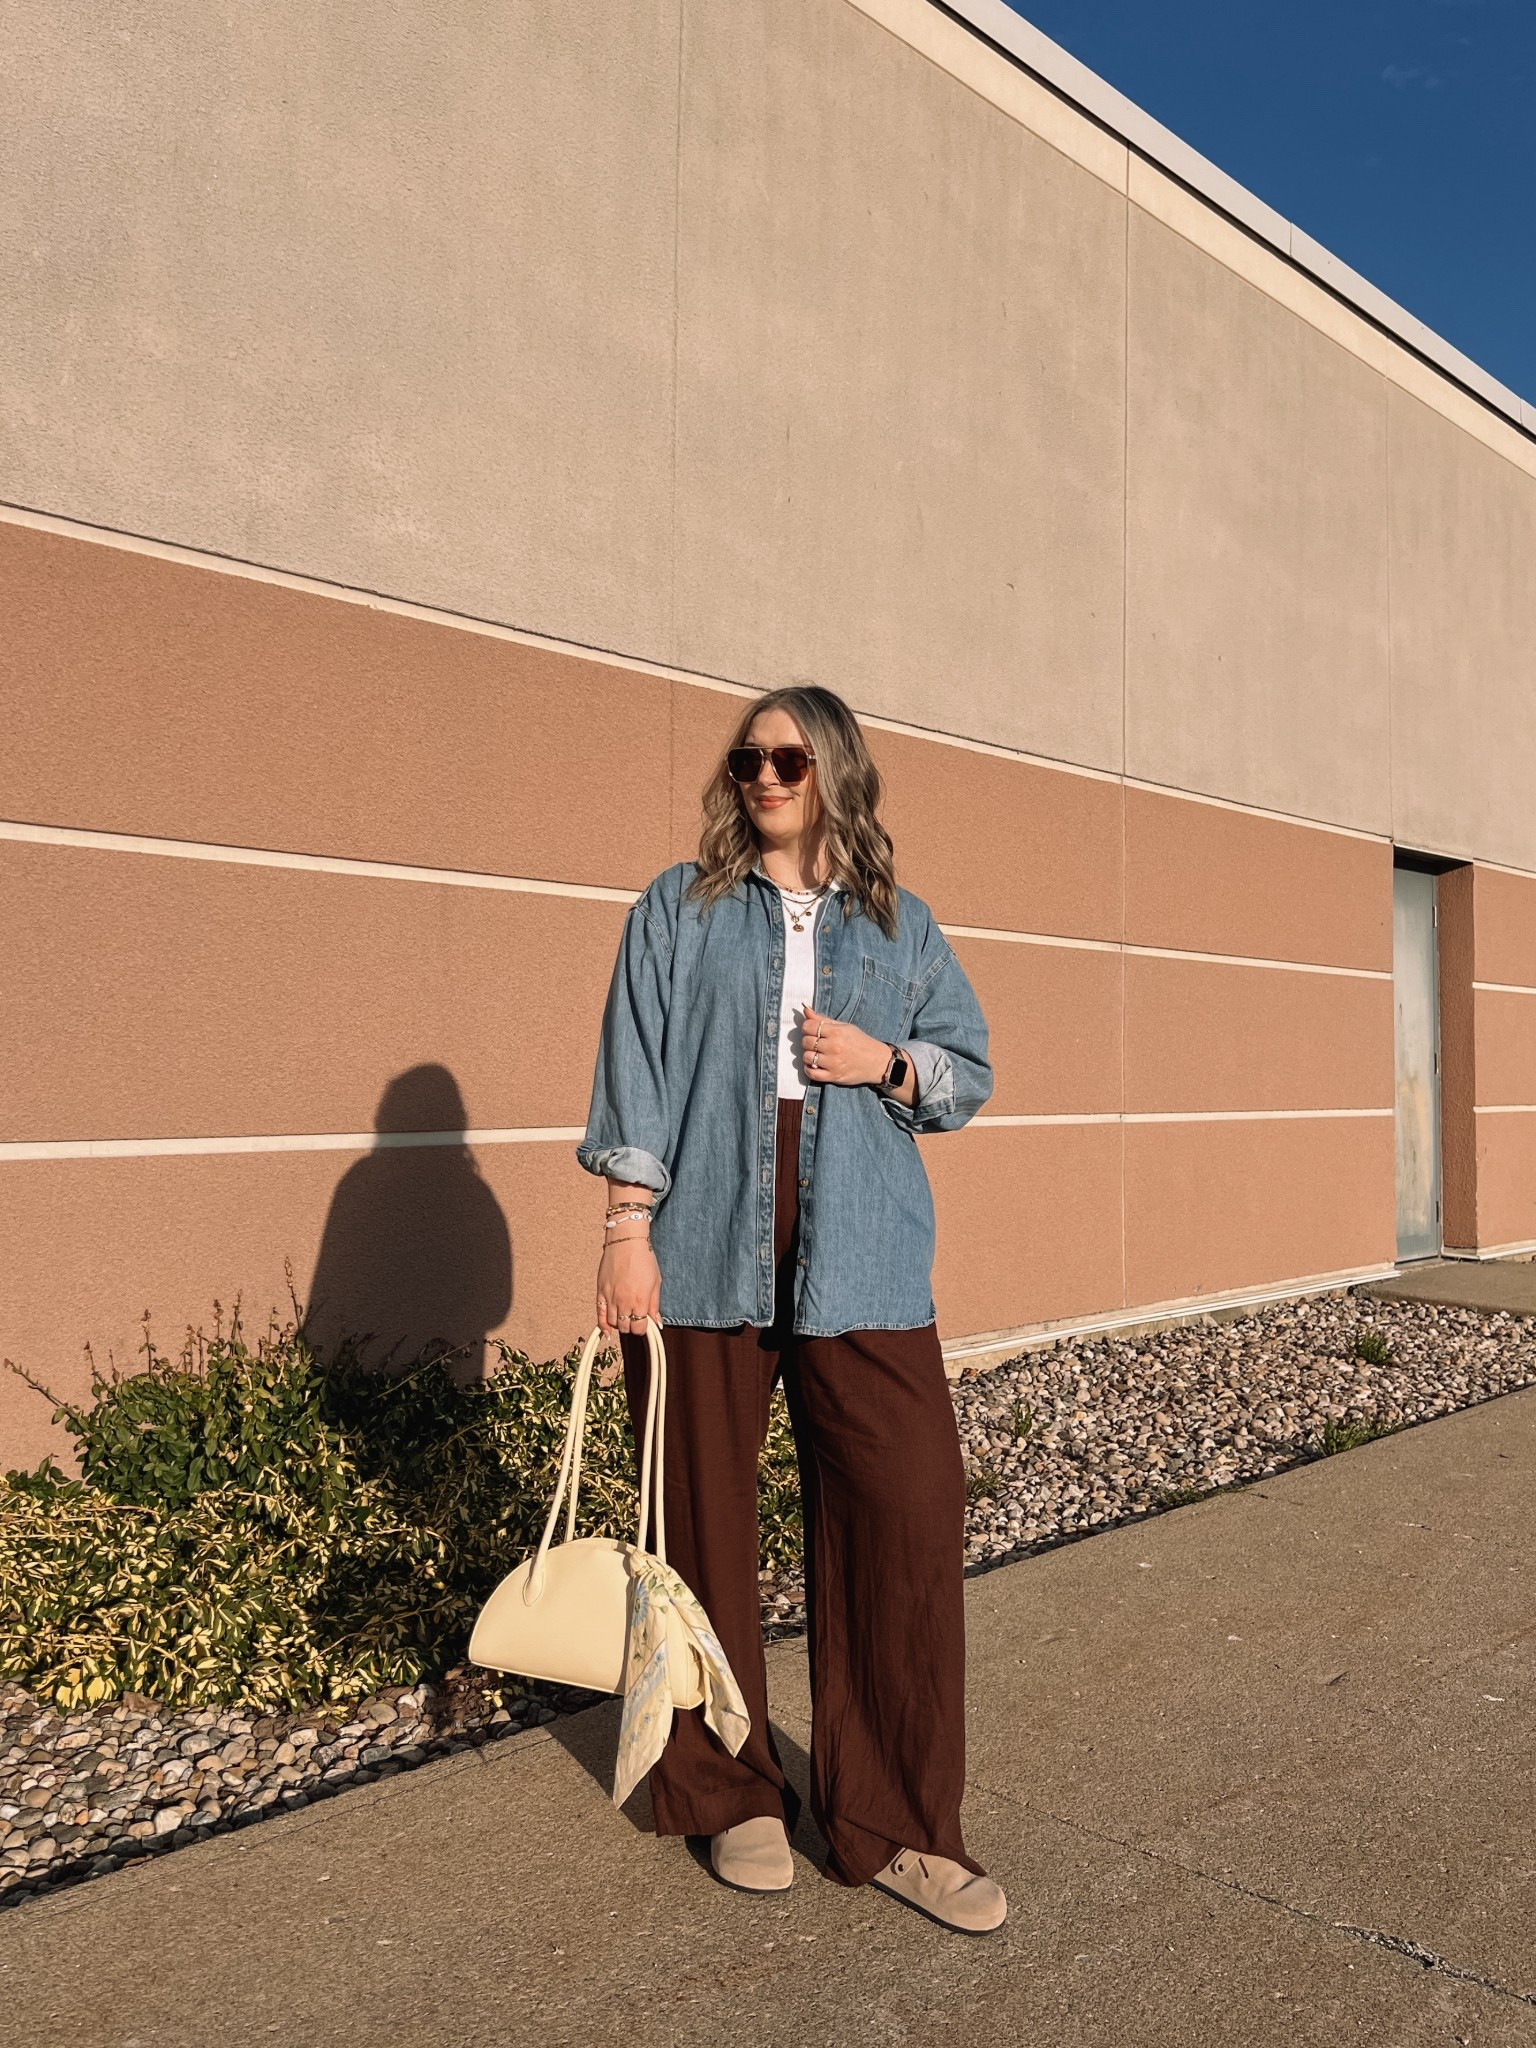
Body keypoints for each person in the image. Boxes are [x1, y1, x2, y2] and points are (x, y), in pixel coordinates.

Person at [576, 684, 1006, 1935]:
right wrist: (623, 1231)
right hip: (704, 1237)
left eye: (788, 758)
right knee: (700, 1517)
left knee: (908, 1517)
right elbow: (634, 1068)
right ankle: (732, 1792)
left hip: (863, 1253)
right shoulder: (679, 906)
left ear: (835, 773)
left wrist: (886, 1062)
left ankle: (901, 1824)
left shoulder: (901, 925)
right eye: (747, 757)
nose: (763, 776)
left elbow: (966, 1066)